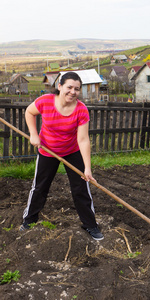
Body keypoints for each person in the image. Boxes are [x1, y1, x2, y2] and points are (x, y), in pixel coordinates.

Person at [19, 71, 104, 241]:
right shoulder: (45, 102)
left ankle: (90, 225)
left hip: (72, 152)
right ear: (60, 87)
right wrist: (34, 134)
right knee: (40, 187)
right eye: (69, 87)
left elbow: (83, 139)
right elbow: (29, 112)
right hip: (47, 150)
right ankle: (29, 221)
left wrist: (87, 168)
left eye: (77, 89)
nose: (73, 92)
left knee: (81, 189)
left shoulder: (81, 110)